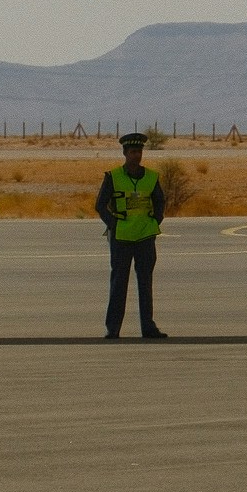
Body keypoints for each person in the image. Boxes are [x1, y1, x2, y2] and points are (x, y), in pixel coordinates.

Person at [94, 132, 167, 340]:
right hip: (121, 238)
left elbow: (160, 202)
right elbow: (100, 205)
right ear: (125, 153)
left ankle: (148, 327)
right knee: (119, 283)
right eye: (133, 152)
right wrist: (114, 224)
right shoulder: (113, 177)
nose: (137, 156)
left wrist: (155, 221)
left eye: (140, 152)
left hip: (145, 237)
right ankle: (113, 328)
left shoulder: (152, 177)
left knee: (145, 283)